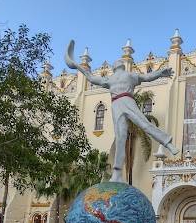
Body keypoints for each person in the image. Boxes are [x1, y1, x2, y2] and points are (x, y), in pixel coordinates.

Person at [65, 40, 179, 182]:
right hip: (116, 104)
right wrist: (76, 65)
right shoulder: (109, 79)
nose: (118, 62)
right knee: (121, 138)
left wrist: (160, 73)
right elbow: (90, 78)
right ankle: (117, 173)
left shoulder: (129, 75)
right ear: (116, 67)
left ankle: (168, 143)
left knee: (144, 124)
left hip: (127, 100)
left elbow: (147, 77)